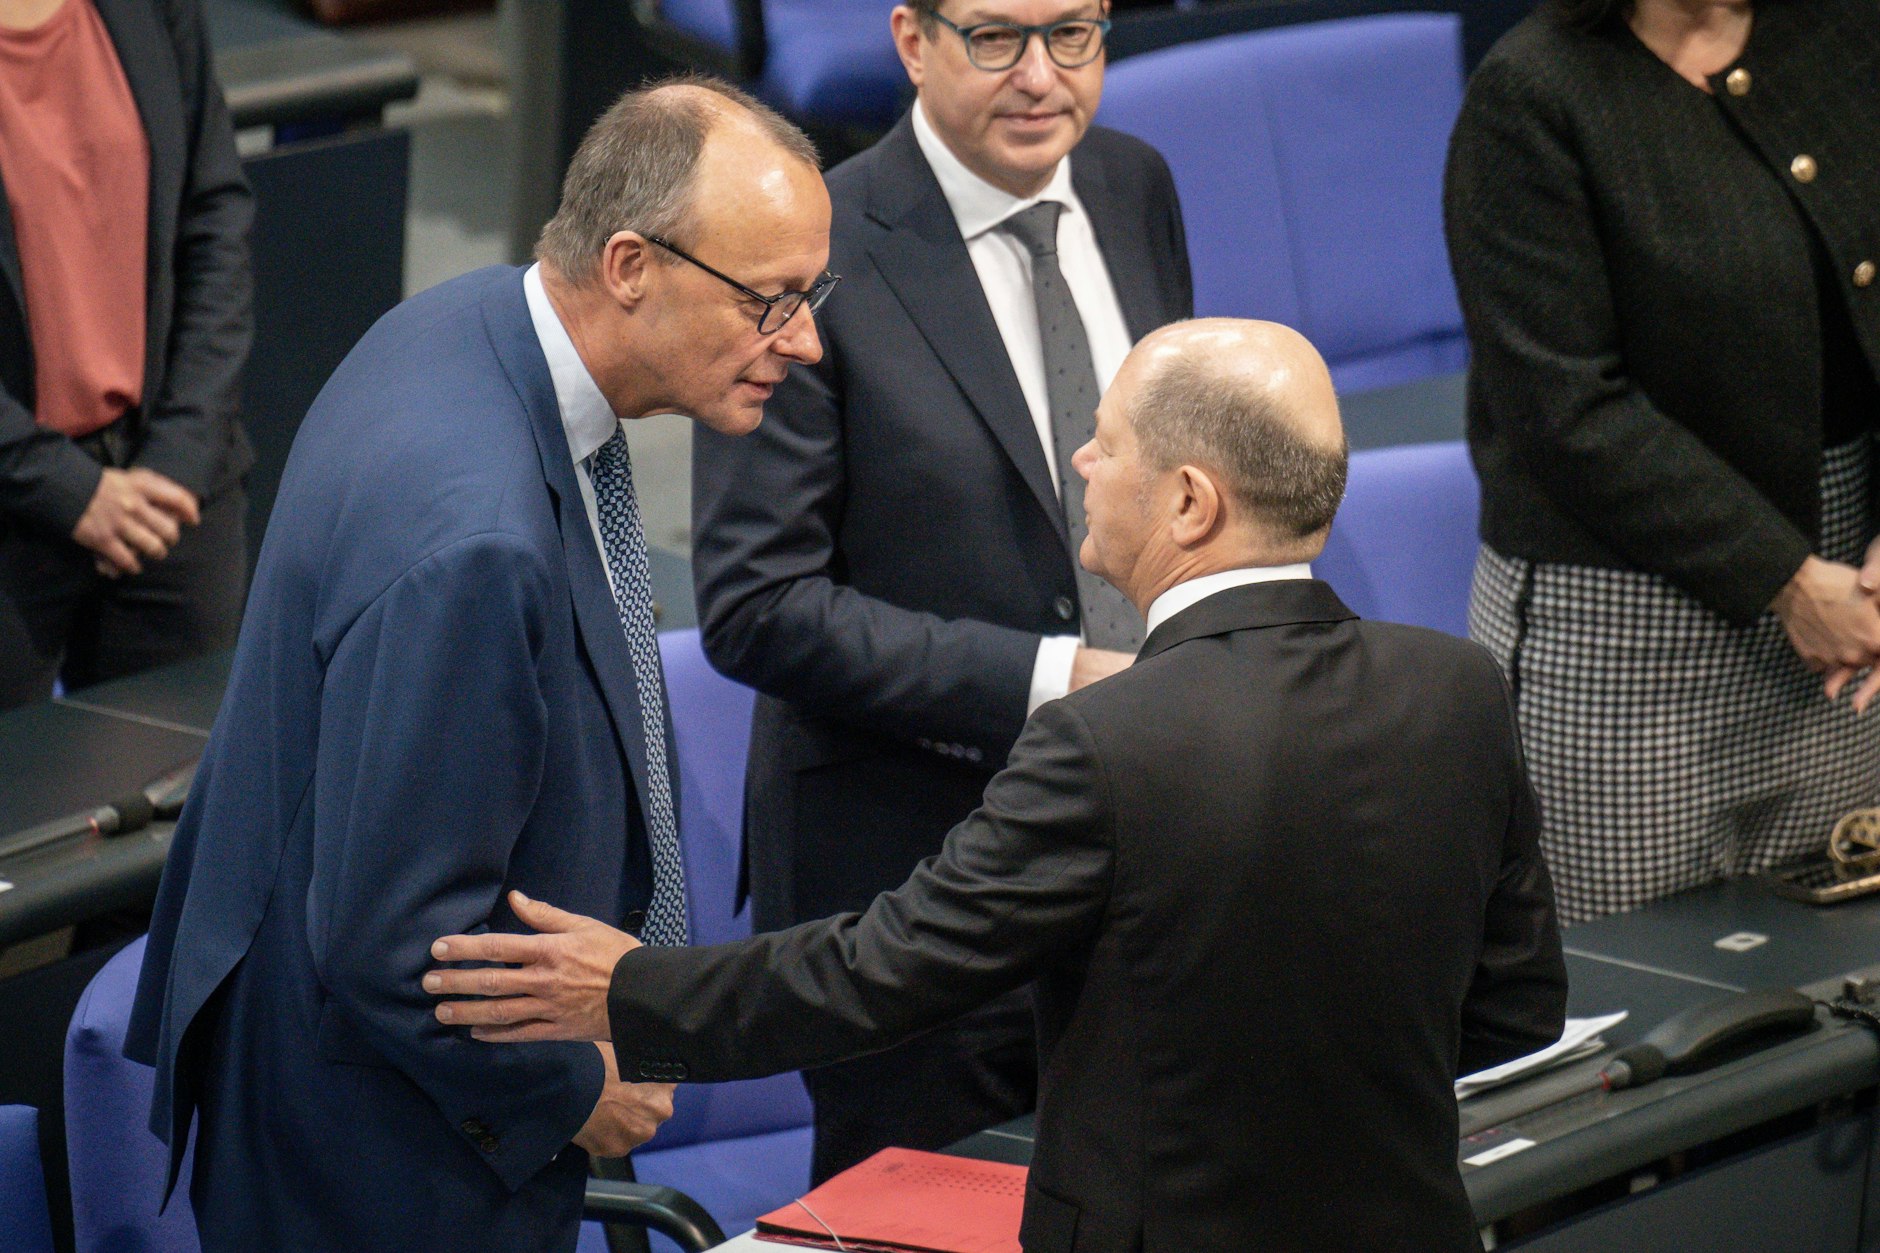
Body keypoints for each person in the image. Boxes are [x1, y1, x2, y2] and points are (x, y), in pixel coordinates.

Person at [427, 319, 1569, 1252]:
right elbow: (1515, 1006)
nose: (1078, 462)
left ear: (1187, 502)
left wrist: (627, 991)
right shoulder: (1456, 687)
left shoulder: (1106, 744)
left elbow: (875, 974)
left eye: (1105, 443)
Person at [125, 78, 832, 1251]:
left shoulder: (462, 323)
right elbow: (397, 940)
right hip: (387, 1166)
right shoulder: (474, 541)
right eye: (772, 301)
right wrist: (575, 1090)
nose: (802, 339)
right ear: (628, 266)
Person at [688, 0, 1190, 1180]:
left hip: (1143, 847)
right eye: (995, 37)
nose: (1039, 76)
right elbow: (757, 603)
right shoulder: (819, 241)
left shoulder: (1131, 185)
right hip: (916, 877)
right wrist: (1055, 679)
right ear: (911, 41)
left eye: (1072, 33)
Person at [1446, 0, 1880, 922]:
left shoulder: (1849, 29)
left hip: (1854, 614)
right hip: (1623, 631)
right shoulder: (1532, 94)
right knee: (1645, 1011)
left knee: (1844, 994)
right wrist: (1786, 579)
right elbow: (1563, 404)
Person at [0, 0, 251, 711]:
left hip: (170, 495)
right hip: (14, 507)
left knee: (178, 797)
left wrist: (181, 453)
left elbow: (215, 212)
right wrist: (66, 489)